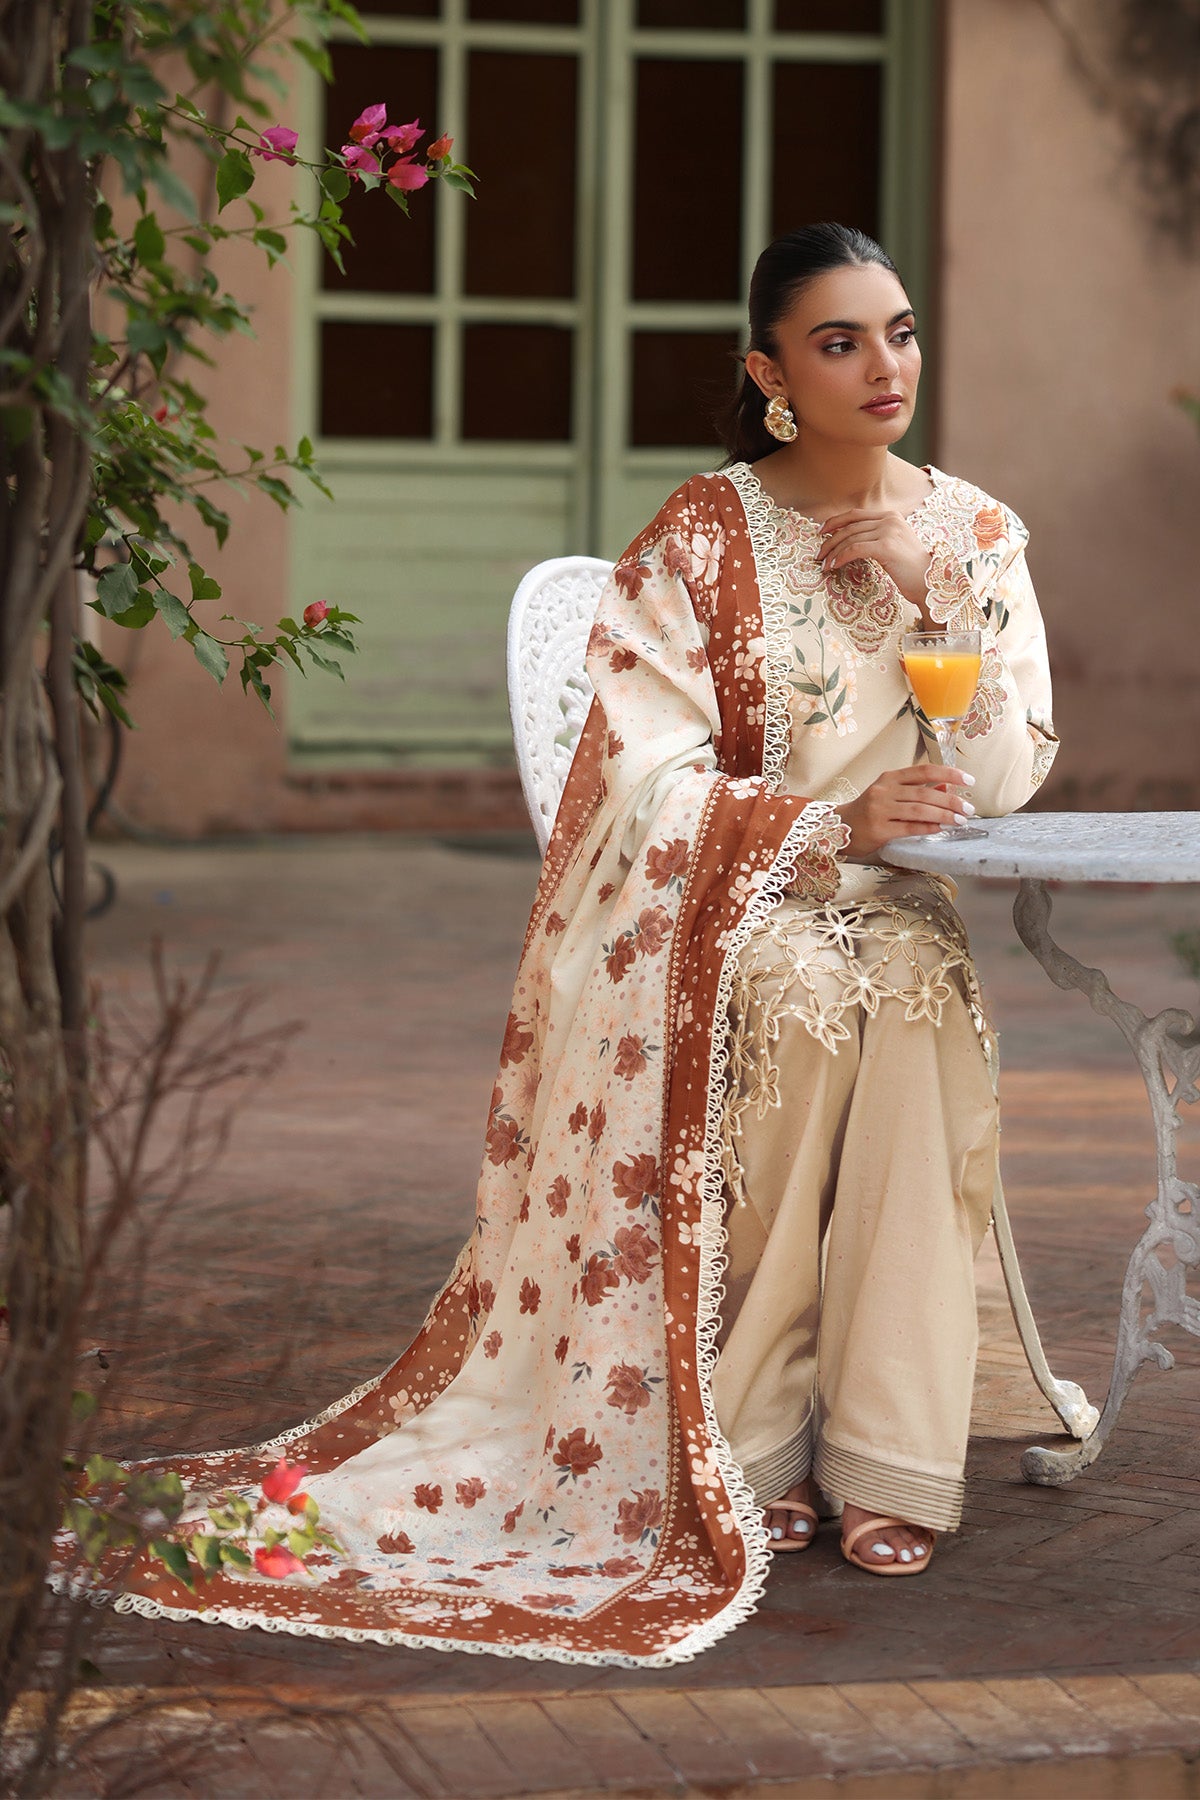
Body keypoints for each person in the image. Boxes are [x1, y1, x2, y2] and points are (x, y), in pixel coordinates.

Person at [59, 225, 1056, 1665]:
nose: (882, 365)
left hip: (896, 908)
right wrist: (826, 825)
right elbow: (636, 785)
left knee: (906, 988)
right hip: (737, 905)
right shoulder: (702, 538)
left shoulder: (975, 533)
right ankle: (753, 1437)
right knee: (805, 993)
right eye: (838, 342)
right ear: (771, 374)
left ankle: (891, 1455)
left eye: (896, 331)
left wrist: (930, 591)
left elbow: (1007, 777)